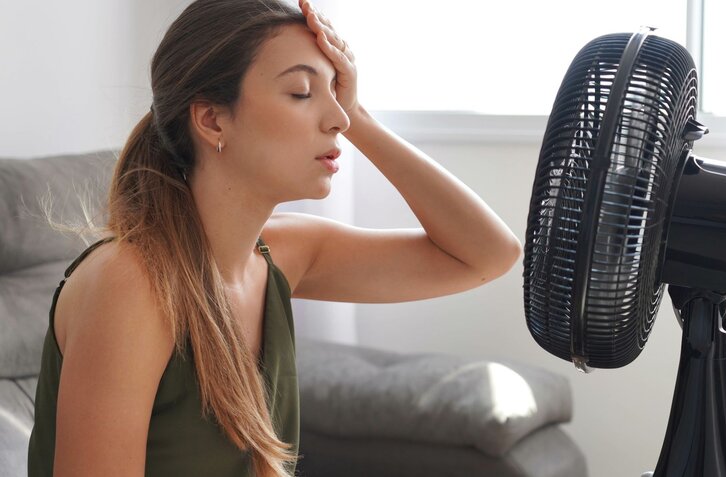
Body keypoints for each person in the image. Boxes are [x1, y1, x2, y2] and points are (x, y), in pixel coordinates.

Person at [26, 0, 522, 476]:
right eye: (302, 93)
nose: (338, 120)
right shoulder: (131, 285)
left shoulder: (282, 255)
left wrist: (362, 118)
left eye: (338, 93)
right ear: (212, 119)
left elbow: (487, 255)